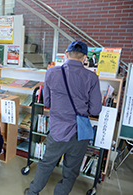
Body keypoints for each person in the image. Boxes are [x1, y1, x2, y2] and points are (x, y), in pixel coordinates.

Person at [24, 40, 102, 195]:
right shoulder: (91, 77)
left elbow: (47, 102)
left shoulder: (52, 72)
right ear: (85, 57)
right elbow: (95, 109)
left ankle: (33, 192)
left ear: (66, 54)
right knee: (71, 169)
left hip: (58, 129)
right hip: (80, 133)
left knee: (46, 163)